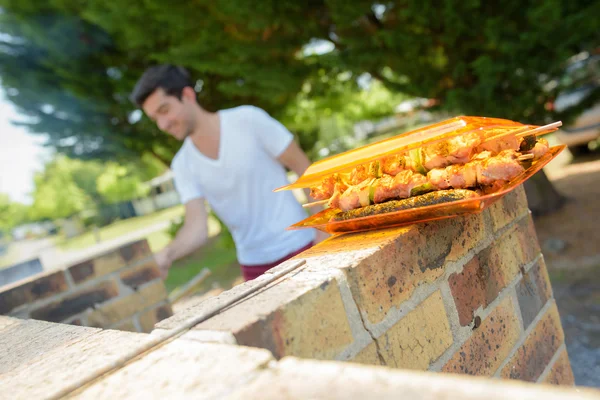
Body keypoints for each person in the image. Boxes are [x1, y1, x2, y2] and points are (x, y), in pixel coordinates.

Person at [130, 65, 327, 281]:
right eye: (154, 118)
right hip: (254, 269)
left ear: (187, 95)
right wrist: (166, 255)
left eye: (164, 110)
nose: (162, 124)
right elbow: (196, 227)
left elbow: (305, 169)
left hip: (303, 247)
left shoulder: (248, 120)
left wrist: (323, 230)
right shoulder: (182, 164)